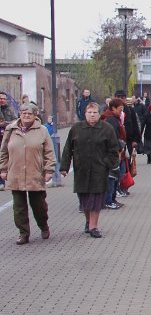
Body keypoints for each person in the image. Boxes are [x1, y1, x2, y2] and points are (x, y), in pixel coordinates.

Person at [60, 102, 118, 239]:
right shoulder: (76, 128)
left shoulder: (107, 129)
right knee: (84, 200)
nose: (92, 115)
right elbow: (68, 148)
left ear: (99, 114)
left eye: (95, 113)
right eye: (89, 112)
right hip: (82, 170)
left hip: (99, 170)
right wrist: (64, 167)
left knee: (96, 200)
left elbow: (114, 151)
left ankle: (93, 227)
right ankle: (88, 221)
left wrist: (106, 164)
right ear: (85, 114)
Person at [0, 103, 56, 245]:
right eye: (23, 113)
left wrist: (49, 170)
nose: (26, 115)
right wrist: (3, 169)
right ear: (20, 114)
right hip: (16, 173)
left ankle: (43, 226)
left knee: (39, 205)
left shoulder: (42, 130)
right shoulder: (11, 129)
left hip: (35, 173)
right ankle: (23, 233)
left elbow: (49, 151)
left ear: (35, 115)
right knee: (19, 207)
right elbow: (3, 151)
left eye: (29, 113)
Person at [101, 99, 128, 209]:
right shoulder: (111, 120)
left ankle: (112, 198)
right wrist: (120, 147)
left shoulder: (114, 118)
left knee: (115, 175)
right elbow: (113, 137)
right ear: (113, 108)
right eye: (120, 109)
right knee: (112, 176)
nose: (121, 111)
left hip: (115, 151)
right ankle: (109, 200)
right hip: (112, 153)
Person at [0, 92, 15, 190]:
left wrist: (5, 123)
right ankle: (1, 182)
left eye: (3, 99)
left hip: (8, 138)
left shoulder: (10, 110)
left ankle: (8, 179)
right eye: (0, 98)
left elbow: (15, 121)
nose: (2, 100)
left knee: (8, 160)